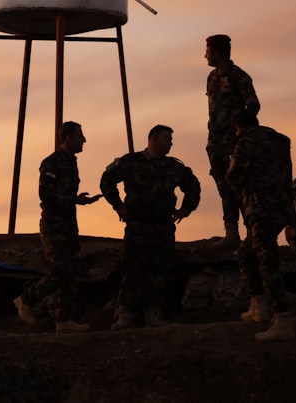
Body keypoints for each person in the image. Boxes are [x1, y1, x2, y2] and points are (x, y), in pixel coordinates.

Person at [101, 124, 200, 331]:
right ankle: (125, 315)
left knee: (159, 271)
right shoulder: (130, 162)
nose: (170, 144)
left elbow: (193, 187)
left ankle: (153, 314)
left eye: (171, 140)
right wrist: (118, 206)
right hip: (137, 226)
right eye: (167, 139)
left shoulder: (174, 167)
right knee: (132, 270)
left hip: (163, 227)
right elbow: (107, 180)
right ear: (153, 139)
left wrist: (185, 210)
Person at [14, 121, 100, 334]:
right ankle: (26, 299)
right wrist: (73, 200)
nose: (84, 140)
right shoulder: (52, 163)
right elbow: (46, 194)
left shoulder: (72, 163)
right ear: (68, 137)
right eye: (80, 136)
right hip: (54, 225)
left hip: (69, 224)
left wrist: (76, 200)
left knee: (71, 272)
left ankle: (63, 321)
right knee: (60, 270)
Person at [226, 111, 295, 341]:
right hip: (281, 207)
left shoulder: (246, 140)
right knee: (247, 253)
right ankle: (259, 306)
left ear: (238, 127)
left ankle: (283, 319)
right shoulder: (280, 140)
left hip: (259, 207)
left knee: (267, 262)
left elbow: (235, 176)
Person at [204, 34, 260, 250]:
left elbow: (253, 104)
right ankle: (231, 233)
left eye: (208, 52)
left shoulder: (239, 77)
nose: (205, 56)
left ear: (217, 53)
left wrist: (241, 131)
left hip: (233, 143)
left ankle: (251, 234)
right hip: (215, 143)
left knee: (240, 188)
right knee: (223, 188)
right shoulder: (211, 78)